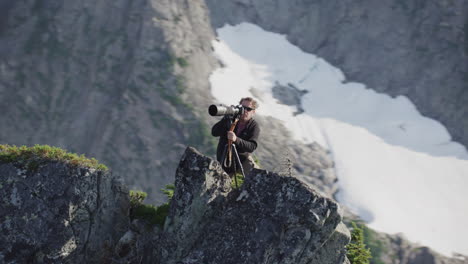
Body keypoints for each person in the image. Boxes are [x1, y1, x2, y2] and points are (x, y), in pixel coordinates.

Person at [211, 97, 260, 176]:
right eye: (242, 108)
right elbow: (214, 132)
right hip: (224, 160)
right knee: (221, 185)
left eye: (248, 109)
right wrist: (225, 119)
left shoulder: (253, 126)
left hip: (242, 160)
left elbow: (252, 146)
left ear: (253, 112)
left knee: (257, 177)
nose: (244, 111)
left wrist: (236, 139)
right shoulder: (231, 119)